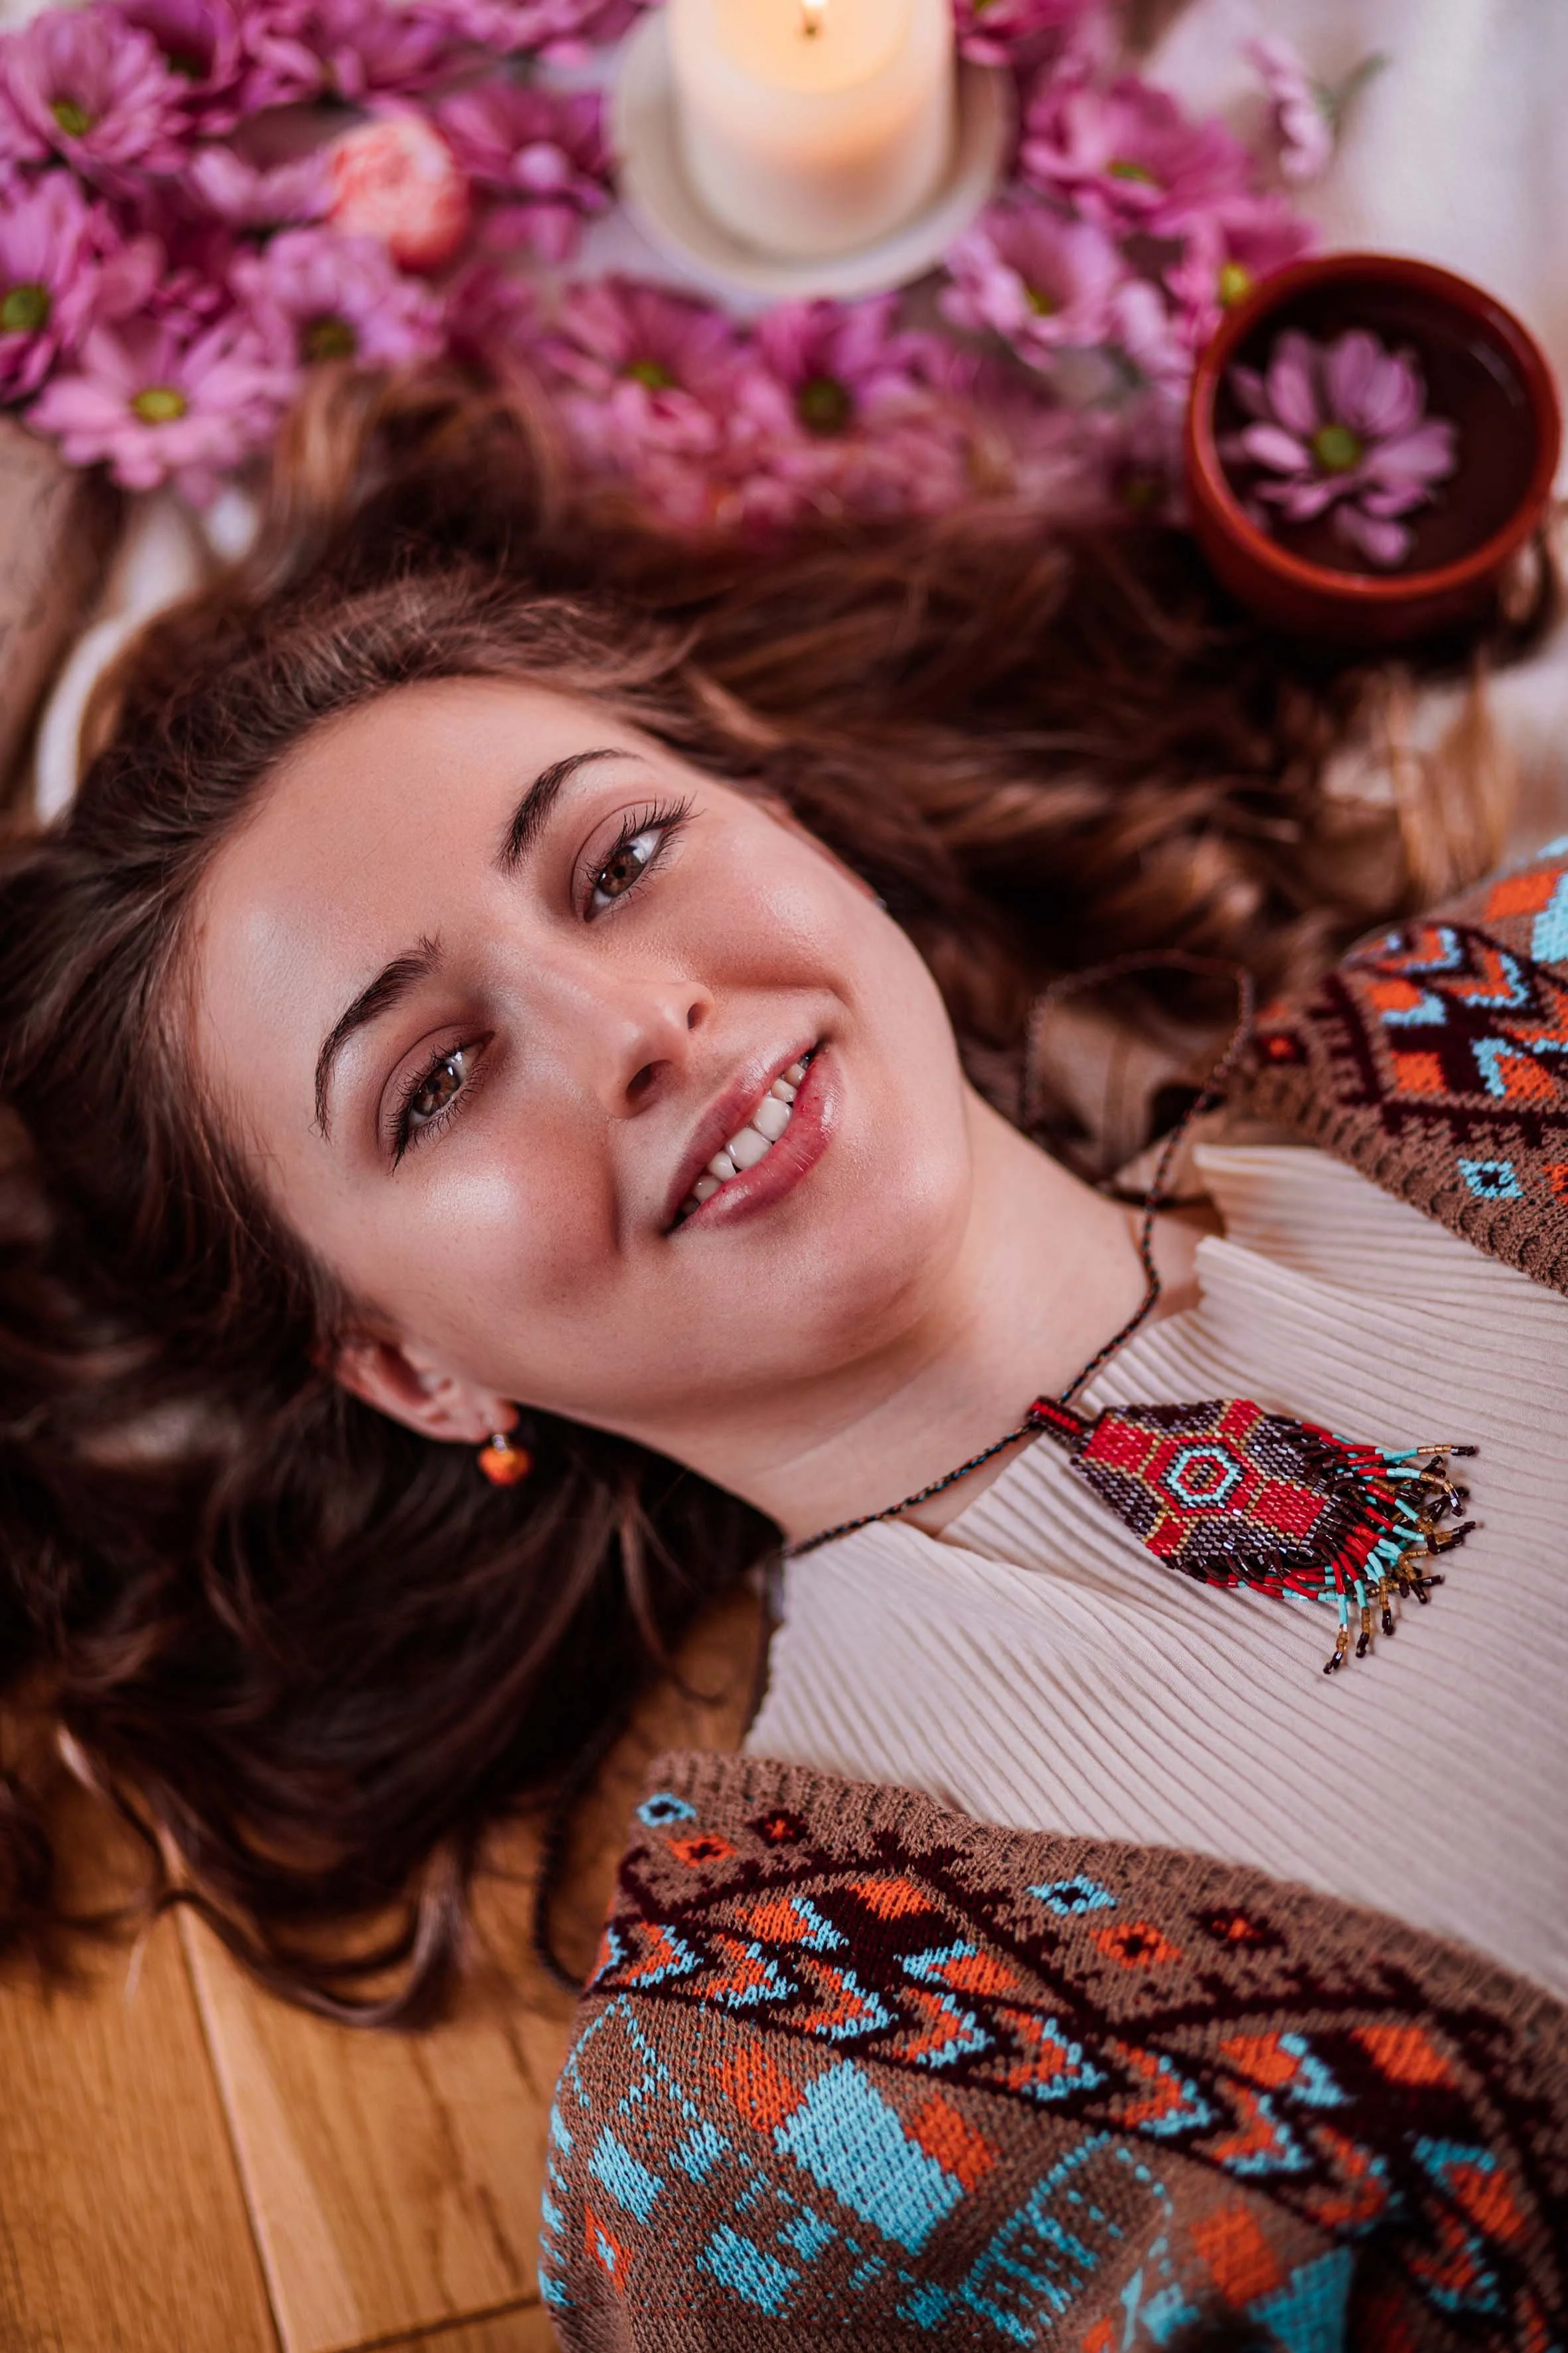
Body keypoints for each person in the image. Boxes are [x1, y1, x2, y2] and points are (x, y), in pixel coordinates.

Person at [0, 366, 1559, 2042]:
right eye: (432, 1080)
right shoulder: (771, 2078)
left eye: (615, 863)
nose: (634, 1026)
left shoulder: (1510, 993)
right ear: (411, 1372)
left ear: (798, 831)